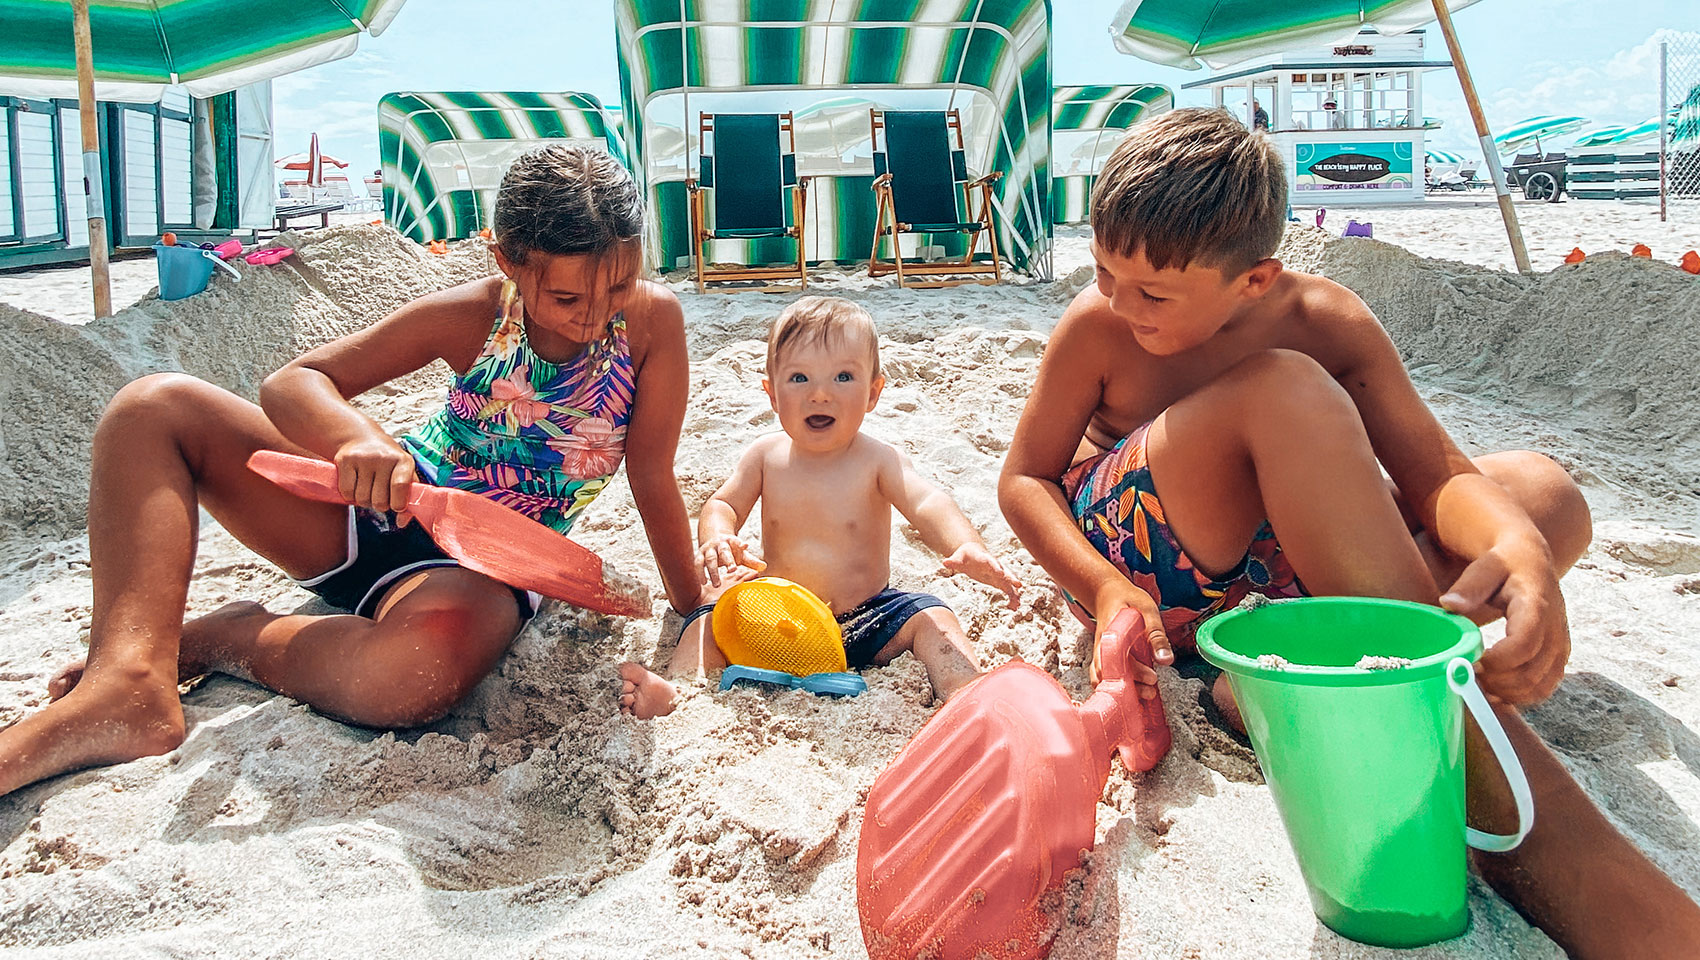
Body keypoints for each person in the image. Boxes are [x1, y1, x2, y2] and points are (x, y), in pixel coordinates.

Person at [997, 107, 1700, 960]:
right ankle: (1465, 754)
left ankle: (1277, 682)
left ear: (1255, 281)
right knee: (1285, 392)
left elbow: (1438, 474)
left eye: (1153, 292)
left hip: (1281, 567)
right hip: (1151, 571)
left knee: (1542, 499)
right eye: (1107, 270)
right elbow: (1024, 478)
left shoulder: (1327, 320)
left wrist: (1517, 551)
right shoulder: (1100, 325)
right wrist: (1105, 588)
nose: (1118, 300)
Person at [0, 144, 703, 799]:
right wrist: (361, 440)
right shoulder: (476, 317)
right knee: (152, 409)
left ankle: (226, 638)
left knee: (410, 682)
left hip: (491, 566)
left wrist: (692, 604)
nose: (594, 316)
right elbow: (295, 383)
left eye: (618, 286)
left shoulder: (649, 328)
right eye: (568, 299)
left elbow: (651, 476)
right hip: (377, 505)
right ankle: (125, 678)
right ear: (508, 262)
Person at [618, 296, 1023, 719]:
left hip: (862, 619)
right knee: (707, 618)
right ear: (772, 394)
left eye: (843, 377)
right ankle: (681, 696)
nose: (820, 394)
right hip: (773, 625)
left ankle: (966, 696)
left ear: (873, 392)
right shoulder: (765, 456)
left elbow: (927, 502)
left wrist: (966, 544)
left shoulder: (878, 460)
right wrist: (718, 535)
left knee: (931, 616)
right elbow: (722, 502)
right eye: (798, 378)